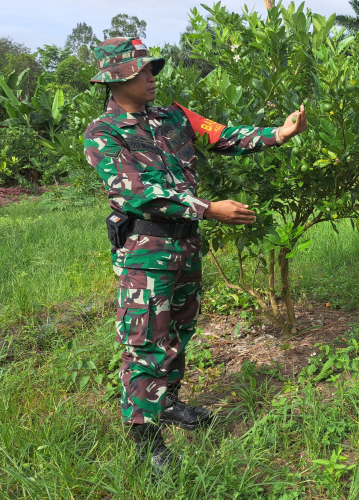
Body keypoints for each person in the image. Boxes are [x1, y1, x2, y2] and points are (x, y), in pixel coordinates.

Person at [83, 37, 307, 473]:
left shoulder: (172, 116)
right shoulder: (103, 133)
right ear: (117, 80)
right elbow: (136, 192)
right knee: (145, 340)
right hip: (146, 251)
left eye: (152, 69)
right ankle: (146, 439)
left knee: (179, 331)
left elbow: (223, 136)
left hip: (185, 245)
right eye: (142, 70)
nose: (152, 77)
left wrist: (279, 133)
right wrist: (209, 209)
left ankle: (168, 403)